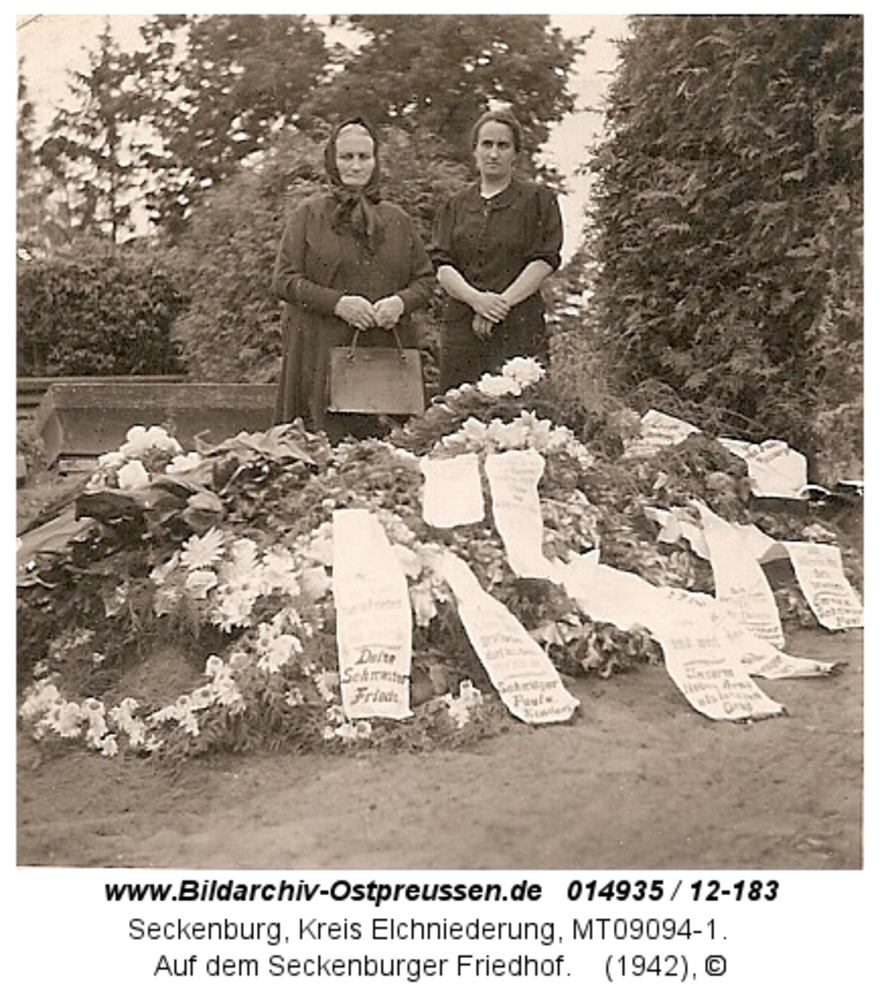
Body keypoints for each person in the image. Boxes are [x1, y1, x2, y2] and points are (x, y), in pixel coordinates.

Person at [272, 116, 434, 443]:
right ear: (332, 159)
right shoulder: (308, 215)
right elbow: (284, 279)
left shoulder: (396, 219)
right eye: (347, 157)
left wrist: (400, 302)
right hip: (320, 355)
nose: (356, 166)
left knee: (384, 457)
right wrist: (337, 303)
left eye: (364, 157)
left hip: (384, 358)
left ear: (375, 161)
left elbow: (425, 280)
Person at [430, 109, 564, 393]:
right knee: (456, 415)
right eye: (486, 144)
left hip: (518, 326)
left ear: (516, 153)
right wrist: (477, 300)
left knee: (520, 414)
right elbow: (442, 265)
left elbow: (544, 259)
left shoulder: (538, 200)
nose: (493, 153)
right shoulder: (455, 205)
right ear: (474, 150)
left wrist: (499, 305)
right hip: (462, 328)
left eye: (503, 146)